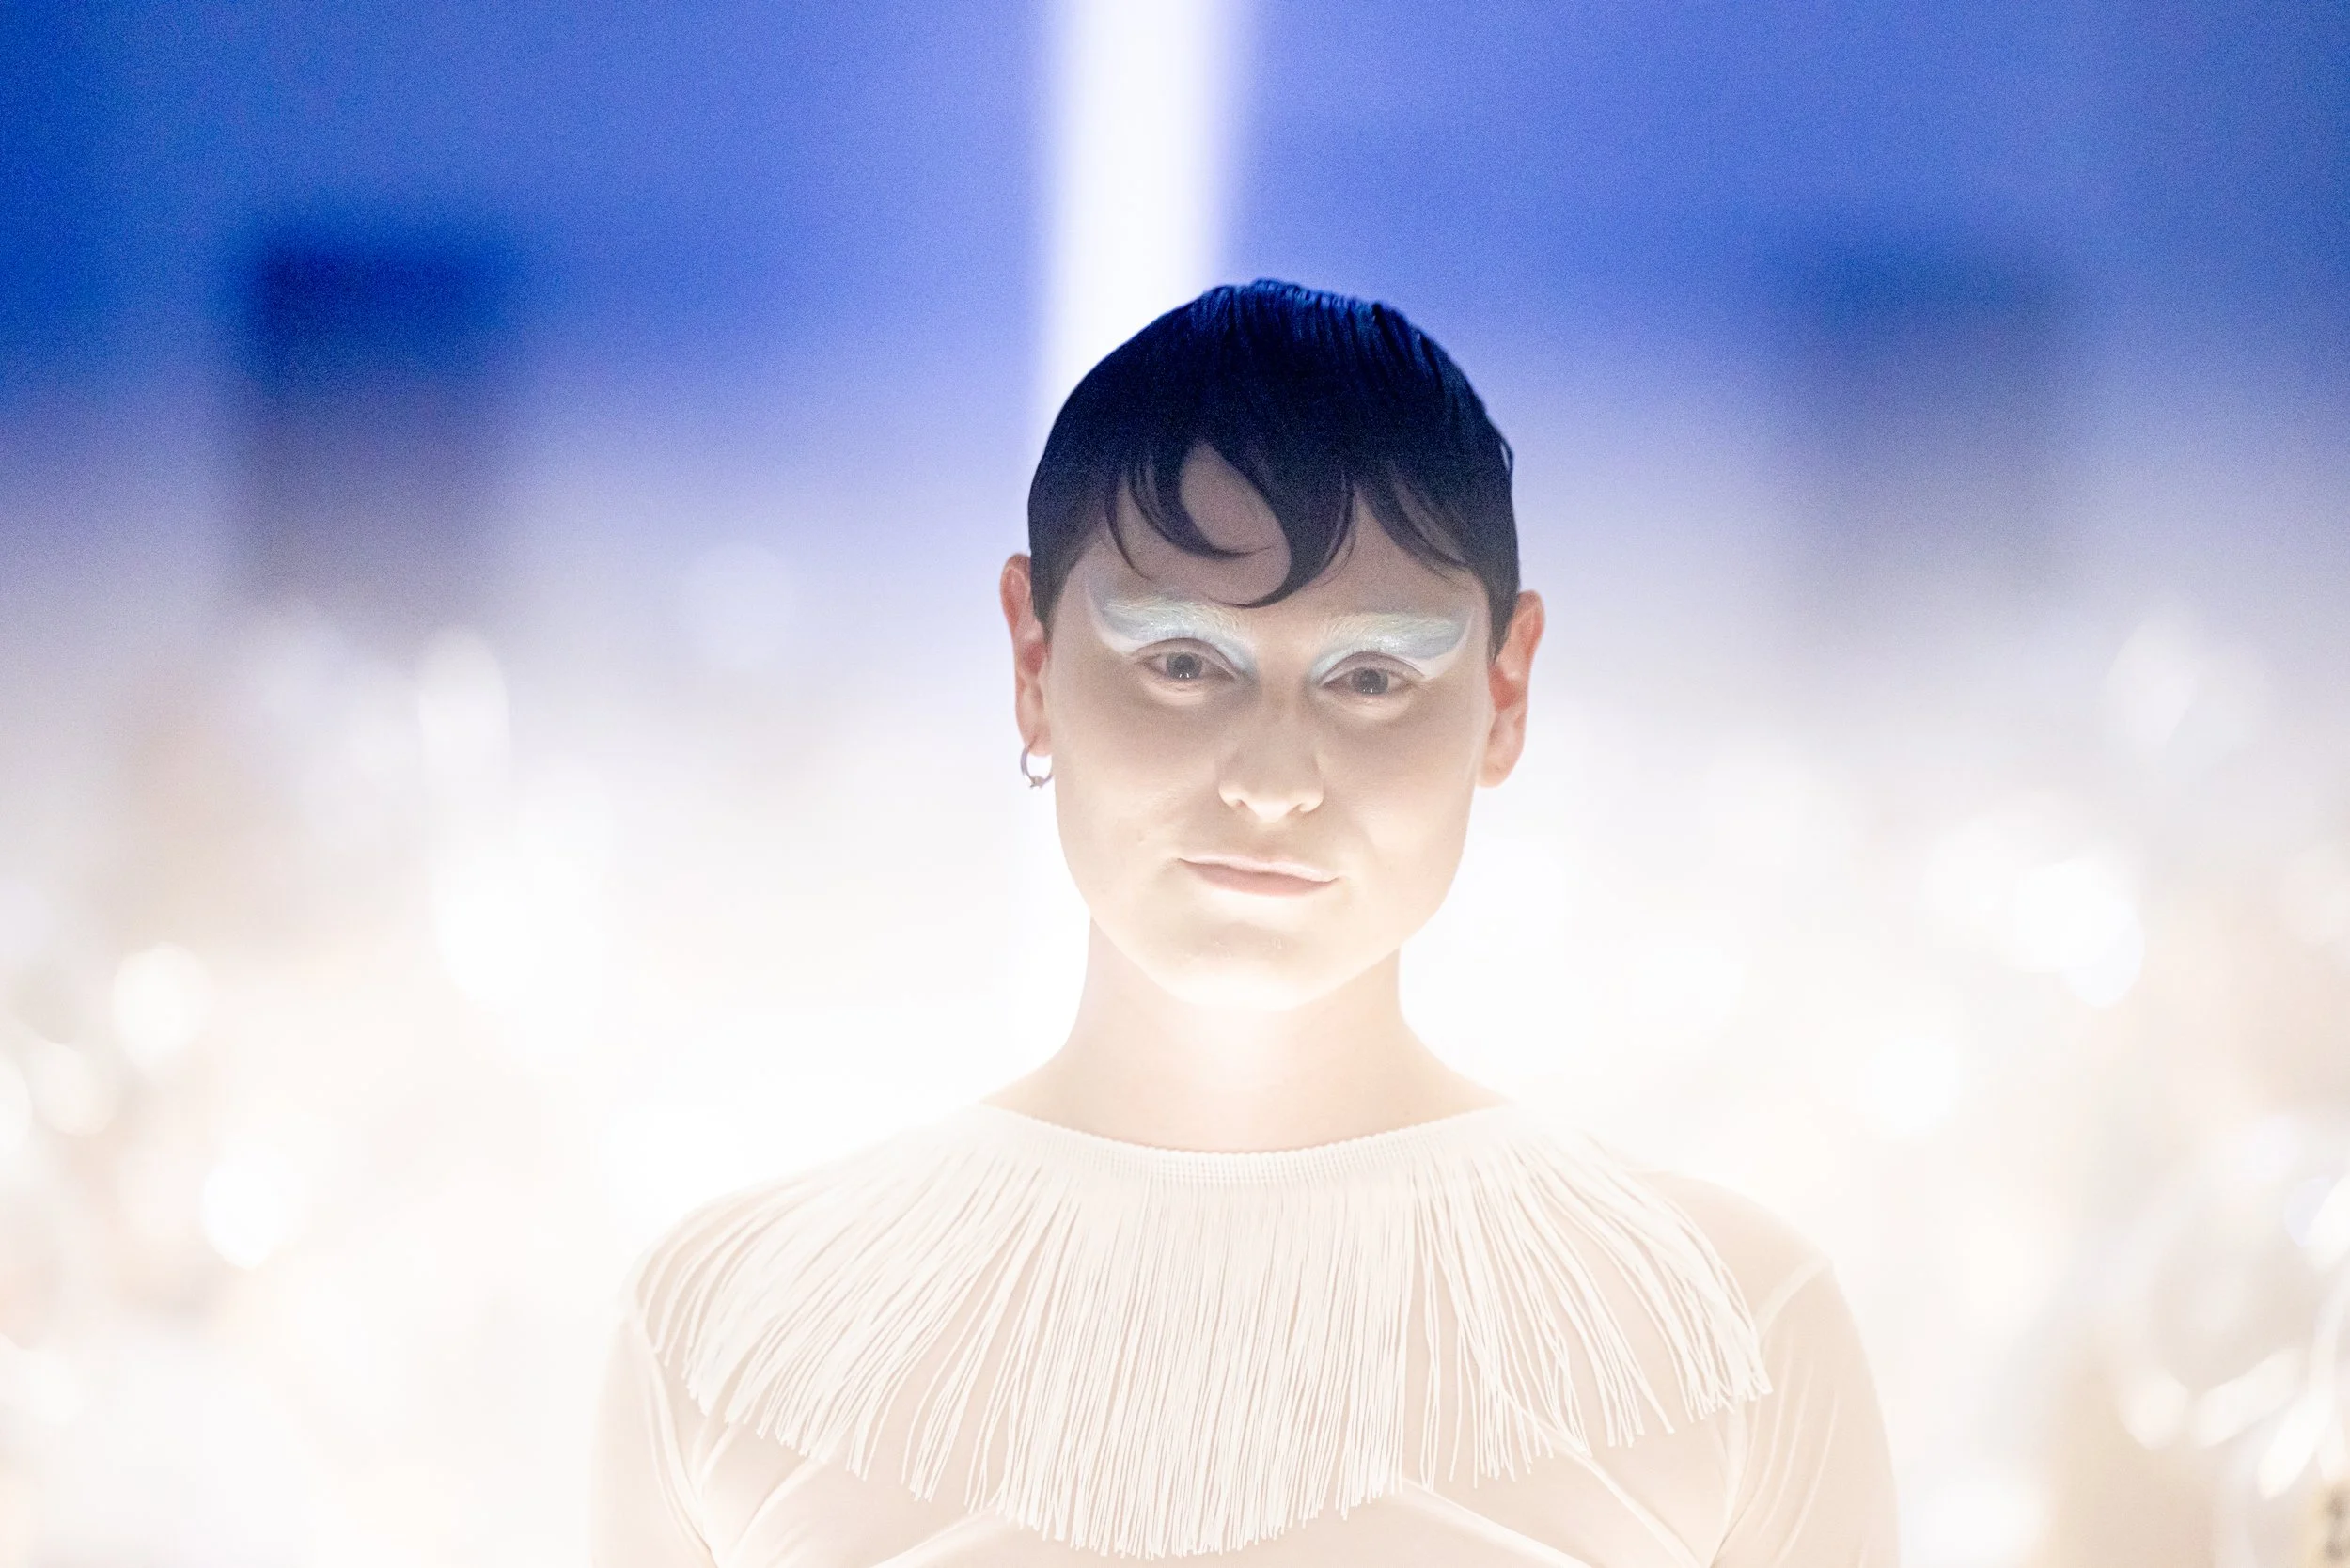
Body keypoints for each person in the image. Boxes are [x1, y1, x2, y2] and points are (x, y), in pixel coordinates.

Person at [590, 281, 1901, 1565]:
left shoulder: (1735, 1340)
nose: (1273, 781)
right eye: (1181, 663)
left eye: (1373, 676)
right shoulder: (727, 1334)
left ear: (1505, 693)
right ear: (1033, 664)